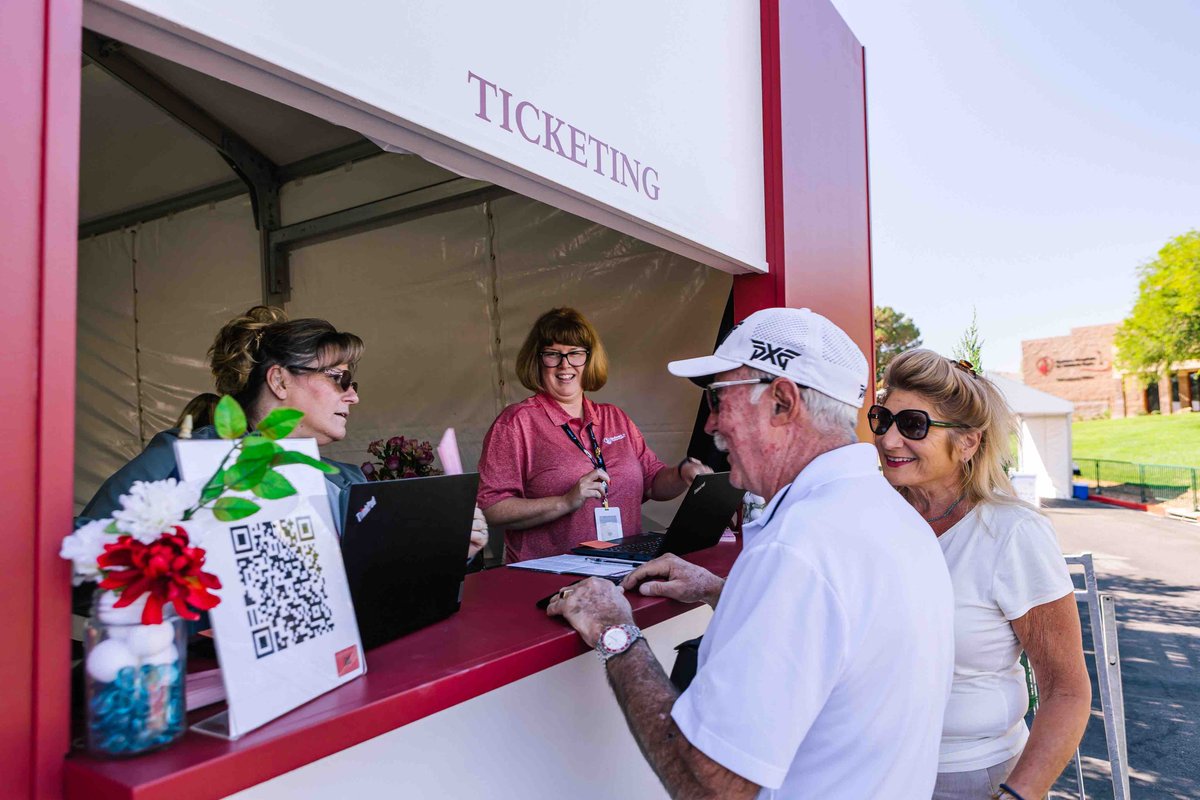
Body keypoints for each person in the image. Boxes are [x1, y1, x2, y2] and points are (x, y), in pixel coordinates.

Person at [546, 307, 955, 798]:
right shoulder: (895, 517)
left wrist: (615, 631)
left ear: (782, 403)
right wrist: (724, 590)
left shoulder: (797, 551)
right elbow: (839, 639)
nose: (713, 423)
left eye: (720, 398)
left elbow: (712, 786)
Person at [80, 306, 487, 558]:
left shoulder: (346, 480)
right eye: (339, 379)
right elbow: (84, 556)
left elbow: (379, 583)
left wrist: (449, 550)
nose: (352, 397)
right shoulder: (185, 459)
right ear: (279, 381)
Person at [872, 350, 1091, 800]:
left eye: (912, 425)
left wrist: (1018, 794)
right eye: (882, 420)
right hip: (870, 770)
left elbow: (1066, 691)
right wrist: (718, 589)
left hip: (969, 779)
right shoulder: (875, 517)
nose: (889, 440)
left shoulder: (1013, 534)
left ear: (968, 442)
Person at [477, 307, 709, 562]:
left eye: (575, 353)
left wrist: (682, 473)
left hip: (623, 568)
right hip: (549, 578)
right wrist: (565, 502)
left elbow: (653, 482)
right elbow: (491, 508)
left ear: (589, 359)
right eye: (553, 354)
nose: (565, 365)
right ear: (537, 360)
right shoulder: (516, 422)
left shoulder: (615, 418)